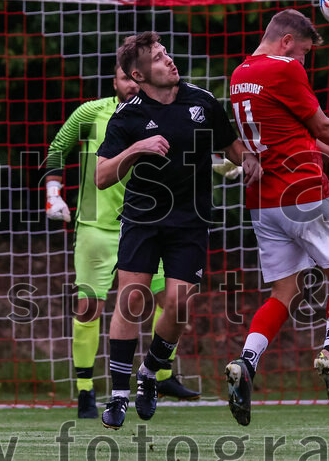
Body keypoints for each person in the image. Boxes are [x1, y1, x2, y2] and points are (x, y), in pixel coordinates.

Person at [95, 32, 258, 430]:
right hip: (143, 218)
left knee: (180, 303)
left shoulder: (202, 101)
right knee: (132, 299)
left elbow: (231, 146)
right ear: (139, 74)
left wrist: (249, 160)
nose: (168, 60)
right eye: (157, 57)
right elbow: (101, 176)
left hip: (191, 219)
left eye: (166, 53)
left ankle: (150, 372)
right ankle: (118, 396)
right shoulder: (127, 115)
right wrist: (137, 149)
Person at [224, 9, 329, 426]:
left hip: (263, 201)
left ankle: (247, 362)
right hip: (303, 189)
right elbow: (321, 126)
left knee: (283, 292)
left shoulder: (240, 75)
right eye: (305, 52)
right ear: (288, 41)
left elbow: (291, 131)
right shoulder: (285, 68)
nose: (304, 61)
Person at [44, 64, 203, 419]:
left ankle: (161, 375)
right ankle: (85, 389)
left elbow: (187, 149)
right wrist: (53, 195)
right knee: (88, 306)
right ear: (114, 82)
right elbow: (57, 149)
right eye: (125, 78)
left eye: (136, 77)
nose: (132, 84)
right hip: (97, 225)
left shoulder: (165, 111)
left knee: (173, 300)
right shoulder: (91, 112)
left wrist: (222, 163)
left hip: (148, 223)